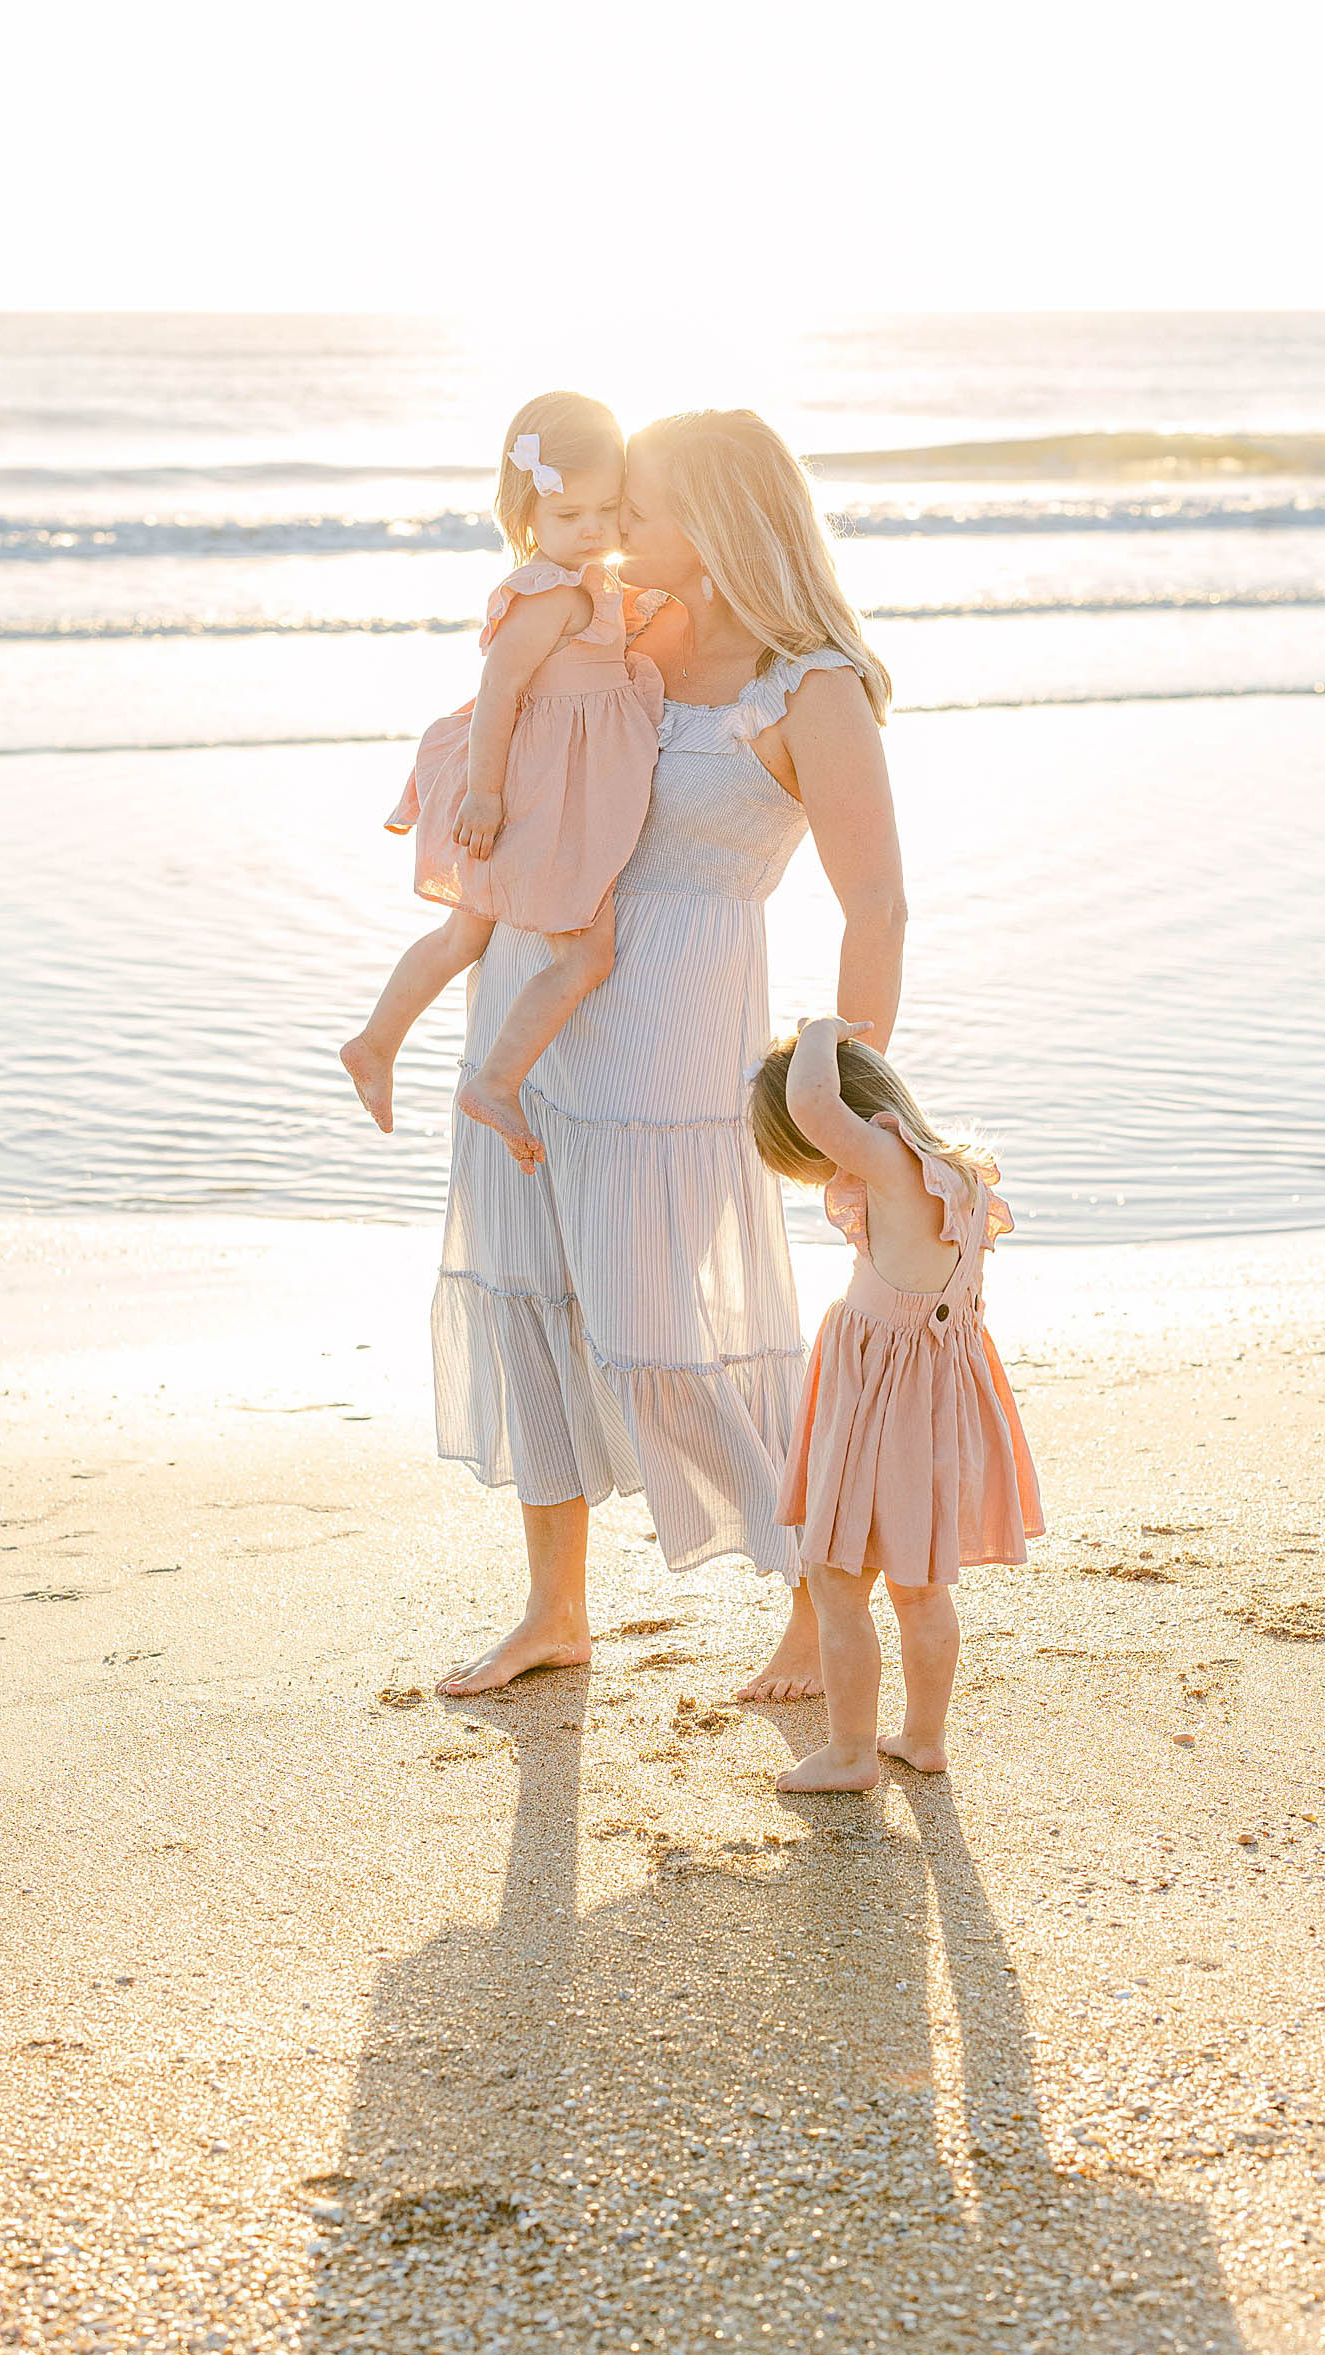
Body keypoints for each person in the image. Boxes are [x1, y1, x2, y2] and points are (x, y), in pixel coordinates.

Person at [430, 409, 907, 1701]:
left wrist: (846, 1107)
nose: (618, 530)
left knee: (661, 1338)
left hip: (673, 1038)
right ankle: (555, 1611)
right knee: (535, 1303)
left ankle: (816, 1589)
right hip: (537, 1001)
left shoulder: (811, 684)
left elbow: (878, 907)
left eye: (642, 510)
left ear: (725, 520)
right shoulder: (619, 629)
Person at [340, 392, 662, 1140]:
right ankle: (495, 1082)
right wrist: (483, 796)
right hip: (529, 789)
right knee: (586, 952)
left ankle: (374, 1044)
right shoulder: (546, 594)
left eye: (607, 510)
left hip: (551, 778)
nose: (592, 531)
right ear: (527, 520)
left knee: (466, 935)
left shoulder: (591, 583)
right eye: (568, 516)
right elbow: (497, 693)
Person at [748, 1018, 1044, 1788]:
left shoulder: (887, 1162)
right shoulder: (966, 1180)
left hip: (884, 1402)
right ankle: (923, 1738)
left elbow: (813, 1105)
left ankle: (851, 1752)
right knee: (920, 1586)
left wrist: (814, 1035)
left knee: (836, 1579)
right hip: (943, 1400)